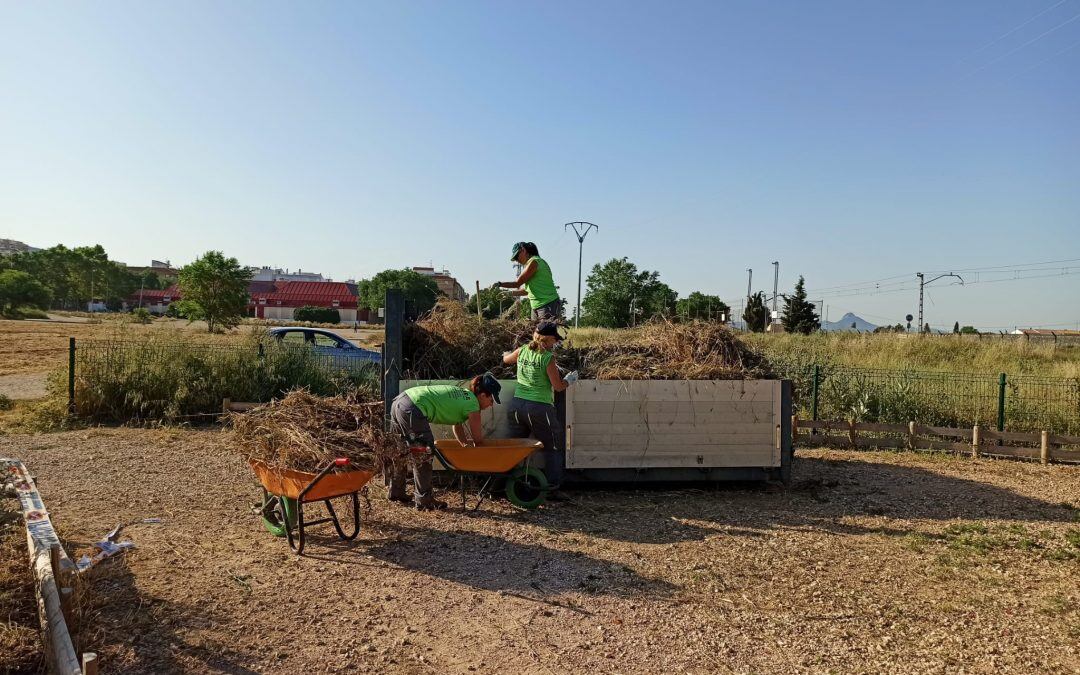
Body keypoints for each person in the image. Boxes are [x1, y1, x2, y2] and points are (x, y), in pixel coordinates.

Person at [388, 374, 501, 510]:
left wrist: (464, 444)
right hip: (413, 408)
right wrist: (489, 457)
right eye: (491, 399)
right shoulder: (473, 405)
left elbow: (457, 425)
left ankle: (396, 492)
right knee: (424, 454)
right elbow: (478, 440)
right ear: (482, 395)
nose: (491, 404)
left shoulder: (464, 395)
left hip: (400, 401)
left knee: (399, 451)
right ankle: (424, 501)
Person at [502, 321, 578, 497]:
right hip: (538, 408)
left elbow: (506, 360)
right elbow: (558, 386)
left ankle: (506, 485)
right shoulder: (547, 357)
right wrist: (570, 380)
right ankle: (552, 489)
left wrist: (507, 354)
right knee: (552, 446)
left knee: (514, 449)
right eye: (554, 340)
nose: (555, 343)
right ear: (547, 338)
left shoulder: (522, 350)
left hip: (516, 405)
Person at [493, 242, 562, 320]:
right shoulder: (534, 263)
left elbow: (517, 283)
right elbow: (528, 291)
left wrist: (499, 284)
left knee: (543, 332)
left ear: (523, 250)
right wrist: (510, 293)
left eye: (516, 256)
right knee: (536, 331)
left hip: (547, 304)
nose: (516, 260)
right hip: (536, 307)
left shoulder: (534, 262)